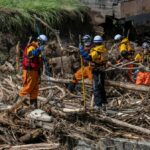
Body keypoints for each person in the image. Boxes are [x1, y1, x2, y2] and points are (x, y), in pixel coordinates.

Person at [18, 34, 48, 109]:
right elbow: (30, 55)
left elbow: (37, 58)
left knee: (35, 89)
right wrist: (38, 50)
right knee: (28, 87)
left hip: (35, 71)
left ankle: (33, 106)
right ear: (40, 41)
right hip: (30, 71)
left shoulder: (38, 48)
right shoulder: (32, 47)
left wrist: (42, 58)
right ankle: (16, 103)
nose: (44, 45)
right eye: (44, 43)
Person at [89, 35, 108, 110]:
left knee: (96, 87)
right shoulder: (104, 49)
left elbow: (89, 57)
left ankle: (98, 104)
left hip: (97, 71)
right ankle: (103, 103)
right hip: (102, 70)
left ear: (94, 42)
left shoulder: (96, 51)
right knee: (101, 86)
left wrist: (82, 53)